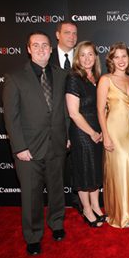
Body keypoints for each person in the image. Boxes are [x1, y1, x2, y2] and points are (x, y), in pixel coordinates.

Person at [2, 31, 68, 255]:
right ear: (28, 49)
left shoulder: (60, 75)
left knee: (57, 189)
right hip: (28, 148)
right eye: (36, 45)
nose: (41, 49)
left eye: (45, 45)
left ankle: (57, 223)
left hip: (57, 143)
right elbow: (11, 117)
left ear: (51, 49)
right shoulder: (15, 77)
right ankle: (33, 235)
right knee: (31, 194)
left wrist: (66, 135)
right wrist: (19, 147)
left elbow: (63, 111)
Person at [97, 42, 129, 228]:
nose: (121, 60)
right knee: (118, 170)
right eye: (117, 57)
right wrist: (105, 135)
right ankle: (119, 215)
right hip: (113, 130)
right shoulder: (105, 79)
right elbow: (100, 110)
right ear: (111, 60)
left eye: (124, 56)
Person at [65, 41, 105, 227]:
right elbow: (73, 112)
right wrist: (92, 133)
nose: (87, 58)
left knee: (95, 170)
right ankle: (87, 210)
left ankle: (96, 207)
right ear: (77, 58)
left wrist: (101, 131)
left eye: (90, 54)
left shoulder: (97, 78)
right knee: (84, 172)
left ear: (95, 57)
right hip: (82, 132)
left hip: (97, 131)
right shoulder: (74, 78)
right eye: (83, 55)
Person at [49, 20, 82, 214]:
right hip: (54, 125)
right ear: (57, 35)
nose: (71, 36)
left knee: (79, 166)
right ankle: (57, 210)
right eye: (67, 32)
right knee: (55, 174)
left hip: (78, 123)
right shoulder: (46, 57)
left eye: (74, 33)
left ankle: (81, 203)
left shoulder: (82, 57)